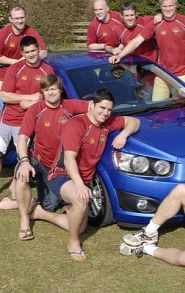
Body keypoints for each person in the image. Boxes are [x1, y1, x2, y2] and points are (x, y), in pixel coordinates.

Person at [47, 88, 140, 261]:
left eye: (109, 110)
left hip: (83, 179)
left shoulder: (107, 123)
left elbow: (134, 121)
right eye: (102, 108)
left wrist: (124, 135)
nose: (105, 113)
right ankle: (73, 243)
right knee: (81, 200)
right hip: (63, 174)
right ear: (91, 105)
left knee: (80, 226)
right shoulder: (76, 124)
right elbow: (68, 159)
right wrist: (80, 186)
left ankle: (40, 213)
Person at [14, 74, 89, 241]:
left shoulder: (70, 106)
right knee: (21, 175)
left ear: (60, 90)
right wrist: (24, 162)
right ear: (42, 93)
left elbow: (95, 107)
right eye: (46, 90)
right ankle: (24, 221)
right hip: (37, 159)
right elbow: (22, 138)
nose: (50, 93)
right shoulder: (36, 109)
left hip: (56, 167)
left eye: (53, 89)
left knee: (50, 205)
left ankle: (29, 204)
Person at [0, 36, 54, 204]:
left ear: (39, 50)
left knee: (23, 158)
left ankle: (15, 186)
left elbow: (50, 96)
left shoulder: (47, 71)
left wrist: (31, 103)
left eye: (33, 51)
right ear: (22, 53)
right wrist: (28, 98)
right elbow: (4, 95)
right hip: (6, 121)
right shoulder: (15, 68)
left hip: (26, 124)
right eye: (27, 52)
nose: (31, 55)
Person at [109, 0, 185, 101]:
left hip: (182, 74)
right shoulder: (155, 24)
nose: (168, 9)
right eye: (164, 6)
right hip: (162, 73)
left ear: (176, 5)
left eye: (170, 5)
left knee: (182, 106)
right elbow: (137, 41)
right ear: (160, 7)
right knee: (156, 104)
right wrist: (120, 56)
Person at [0, 5, 48, 95]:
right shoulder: (3, 34)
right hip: (3, 77)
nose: (20, 21)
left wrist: (28, 58)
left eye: (22, 17)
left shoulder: (31, 32)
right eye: (16, 18)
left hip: (25, 77)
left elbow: (43, 52)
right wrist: (16, 62)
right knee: (2, 103)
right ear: (10, 19)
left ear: (26, 17)